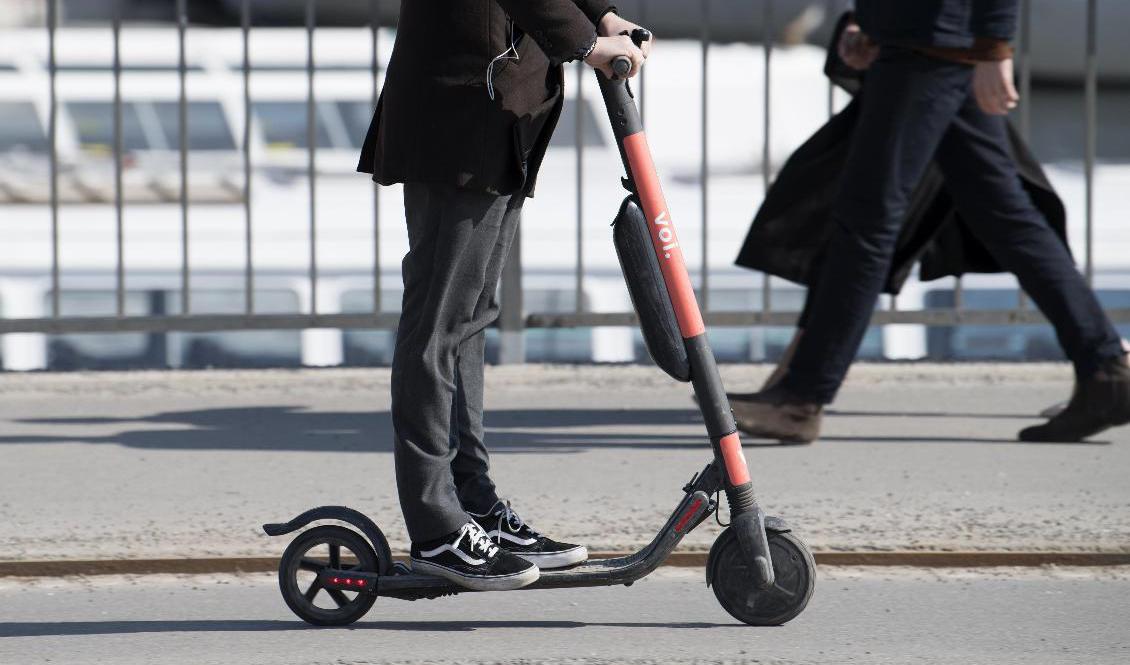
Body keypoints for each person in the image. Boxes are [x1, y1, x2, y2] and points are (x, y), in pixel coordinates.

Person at [731, 0, 1130, 445]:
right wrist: (868, 20)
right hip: (929, 42)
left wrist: (995, 48)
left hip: (932, 49)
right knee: (1009, 220)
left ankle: (800, 398)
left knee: (867, 223)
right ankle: (1104, 371)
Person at [356, 2, 652, 591]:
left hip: (501, 107)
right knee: (438, 325)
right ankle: (437, 528)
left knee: (467, 320)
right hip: (460, 108)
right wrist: (587, 42)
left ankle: (474, 506)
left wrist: (603, 15)